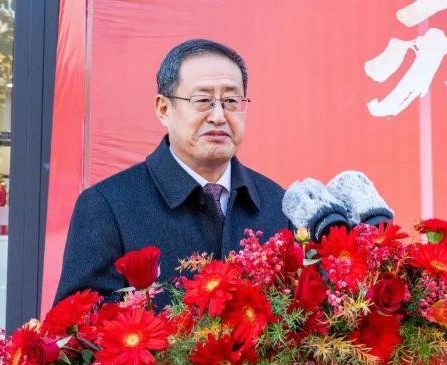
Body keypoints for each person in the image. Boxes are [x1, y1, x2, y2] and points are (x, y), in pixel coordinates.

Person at [54, 39, 291, 304]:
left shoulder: (278, 205)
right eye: (203, 100)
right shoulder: (107, 205)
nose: (218, 116)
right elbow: (76, 321)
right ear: (164, 109)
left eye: (231, 101)